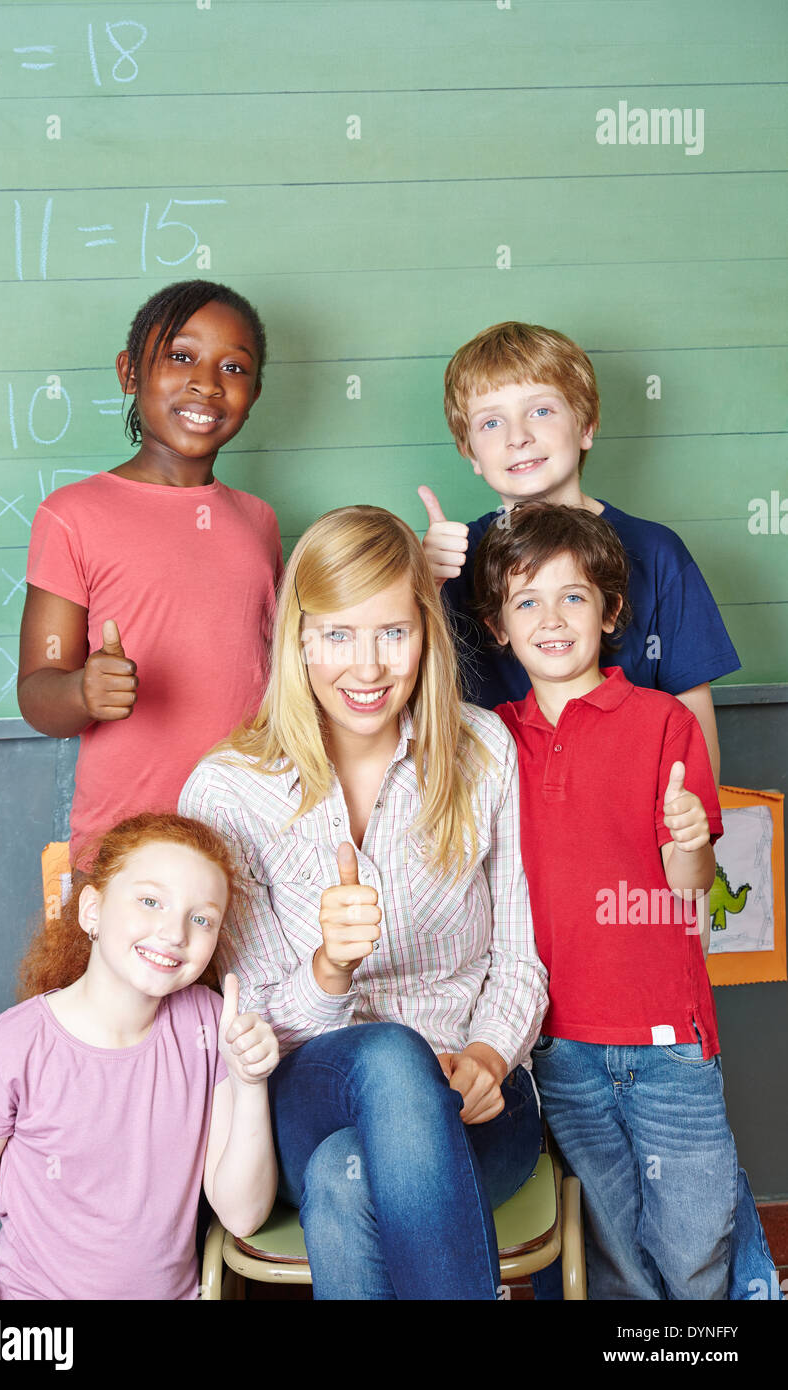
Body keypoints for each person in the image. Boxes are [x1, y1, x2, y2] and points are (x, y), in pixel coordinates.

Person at [179, 505, 548, 1300]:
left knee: (347, 1183)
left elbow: (520, 957)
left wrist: (488, 1056)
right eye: (339, 635)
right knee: (386, 1056)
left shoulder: (483, 751)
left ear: (426, 633)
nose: (368, 666)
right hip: (310, 1085)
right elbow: (254, 1031)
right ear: (300, 639)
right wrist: (329, 967)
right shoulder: (229, 791)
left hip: (475, 1097)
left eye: (393, 633)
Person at [471, 500, 779, 1299]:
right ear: (497, 627)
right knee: (608, 1247)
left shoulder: (664, 722)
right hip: (558, 1045)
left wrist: (688, 841)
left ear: (610, 612)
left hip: (668, 1042)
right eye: (526, 601)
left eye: (573, 597)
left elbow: (692, 890)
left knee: (694, 1236)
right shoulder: (489, 739)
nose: (551, 618)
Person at [0, 813, 279, 1300]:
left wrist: (249, 1083)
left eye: (202, 919)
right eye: (150, 901)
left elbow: (242, 1214)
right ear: (92, 911)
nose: (175, 932)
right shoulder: (6, 1049)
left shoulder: (208, 1024)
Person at [17, 280, 283, 863]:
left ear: (255, 392)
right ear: (129, 372)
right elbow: (38, 693)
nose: (207, 383)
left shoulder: (259, 522)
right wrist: (82, 691)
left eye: (234, 368)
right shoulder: (72, 516)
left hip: (254, 837)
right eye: (181, 356)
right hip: (128, 846)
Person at [418, 320, 739, 781]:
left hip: (631, 818)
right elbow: (405, 697)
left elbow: (693, 723)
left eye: (541, 411)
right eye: (491, 421)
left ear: (586, 425)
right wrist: (422, 585)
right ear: (471, 452)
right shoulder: (451, 563)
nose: (518, 435)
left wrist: (692, 828)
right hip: (499, 827)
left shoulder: (657, 551)